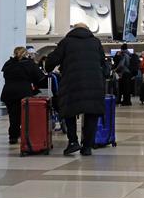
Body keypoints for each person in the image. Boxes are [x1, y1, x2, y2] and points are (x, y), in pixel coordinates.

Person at [45, 23, 107, 156]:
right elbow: (103, 62)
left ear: (74, 30)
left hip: (72, 82)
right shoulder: (96, 42)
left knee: (69, 111)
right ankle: (87, 147)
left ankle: (73, 142)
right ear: (88, 30)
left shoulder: (66, 42)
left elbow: (52, 60)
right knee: (92, 113)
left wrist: (48, 66)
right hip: (94, 83)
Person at [0, 47, 45, 144]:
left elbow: (5, 76)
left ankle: (13, 136)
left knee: (13, 115)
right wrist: (37, 89)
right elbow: (40, 78)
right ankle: (26, 136)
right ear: (26, 54)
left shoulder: (8, 63)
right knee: (25, 116)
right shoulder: (29, 64)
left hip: (9, 92)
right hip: (24, 92)